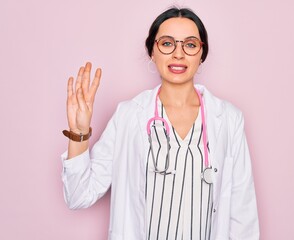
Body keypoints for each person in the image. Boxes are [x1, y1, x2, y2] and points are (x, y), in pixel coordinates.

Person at [61, 7, 259, 240]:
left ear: (201, 54)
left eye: (190, 44)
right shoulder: (128, 116)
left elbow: (243, 215)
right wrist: (79, 133)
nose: (178, 54)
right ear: (152, 52)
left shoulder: (229, 119)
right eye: (167, 44)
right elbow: (78, 195)